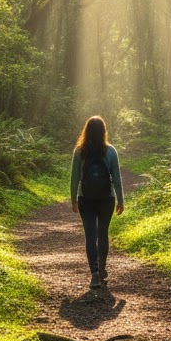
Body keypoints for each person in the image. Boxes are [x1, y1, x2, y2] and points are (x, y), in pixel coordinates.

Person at [70, 115, 124, 289]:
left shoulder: (79, 151)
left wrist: (73, 200)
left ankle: (94, 274)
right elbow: (116, 178)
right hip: (106, 199)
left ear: (86, 131)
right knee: (103, 235)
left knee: (90, 236)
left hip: (85, 198)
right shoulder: (111, 151)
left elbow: (74, 178)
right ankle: (102, 269)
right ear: (103, 131)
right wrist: (120, 200)